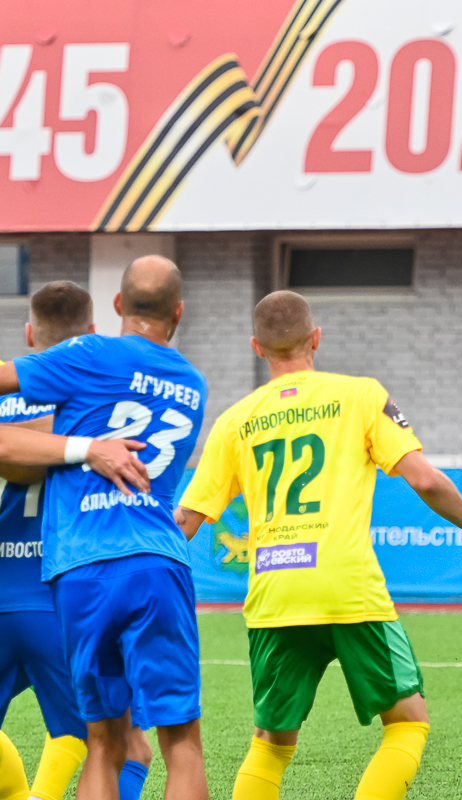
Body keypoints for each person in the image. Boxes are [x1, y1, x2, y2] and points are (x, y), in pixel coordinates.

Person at [175, 290, 462, 800]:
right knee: (408, 723)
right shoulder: (361, 396)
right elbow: (423, 479)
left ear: (256, 348)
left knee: (270, 744)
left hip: (275, 594)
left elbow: (185, 520)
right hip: (347, 589)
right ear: (316, 338)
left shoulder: (235, 421)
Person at [0, 256, 211, 800]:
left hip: (80, 568)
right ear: (179, 312)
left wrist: (83, 447)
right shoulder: (192, 382)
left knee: (102, 743)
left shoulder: (89, 354)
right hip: (156, 559)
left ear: (117, 305)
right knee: (182, 744)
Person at [0, 282, 153, 800]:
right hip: (62, 598)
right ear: (92, 332)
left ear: (29, 334)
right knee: (126, 747)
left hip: (1, 596)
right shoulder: (99, 409)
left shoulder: (7, 401)